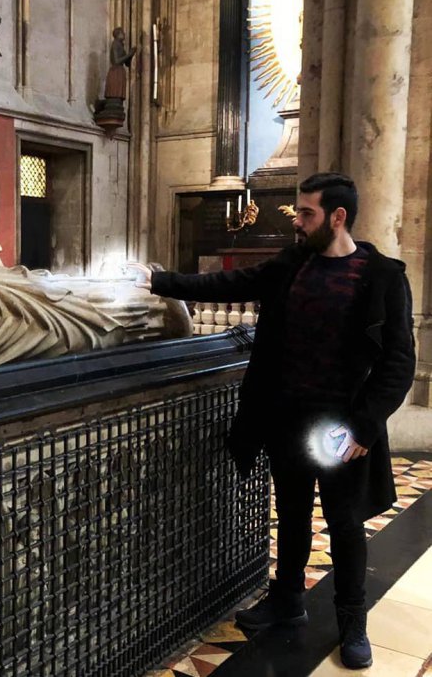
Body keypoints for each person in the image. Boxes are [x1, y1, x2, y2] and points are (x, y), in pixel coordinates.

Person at [130, 173, 415, 670]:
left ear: (337, 217)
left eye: (306, 213)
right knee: (293, 514)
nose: (297, 222)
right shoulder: (293, 264)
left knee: (345, 525)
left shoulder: (382, 277)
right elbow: (230, 284)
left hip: (341, 428)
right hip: (287, 418)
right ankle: (288, 601)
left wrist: (366, 426)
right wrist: (158, 281)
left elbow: (399, 361)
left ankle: (352, 622)